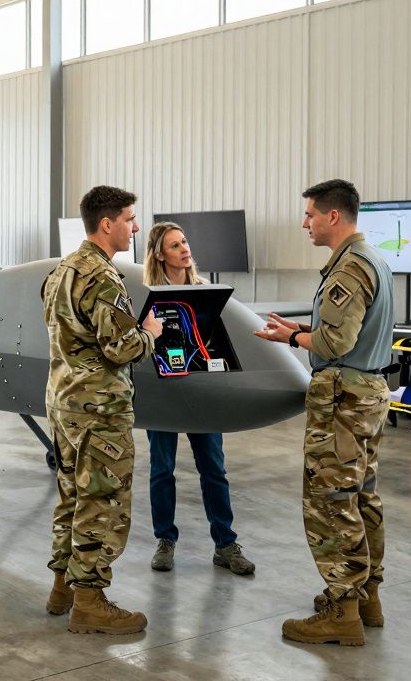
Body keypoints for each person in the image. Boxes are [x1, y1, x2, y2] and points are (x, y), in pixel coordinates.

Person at [254, 179, 394, 647]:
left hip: (343, 398)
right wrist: (302, 328)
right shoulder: (372, 259)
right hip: (368, 392)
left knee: (331, 501)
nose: (304, 223)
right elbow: (345, 329)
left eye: (310, 214)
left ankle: (343, 610)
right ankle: (366, 597)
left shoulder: (348, 268)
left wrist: (292, 340)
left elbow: (335, 344)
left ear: (333, 216)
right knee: (361, 495)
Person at [42, 185, 162, 635]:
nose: (135, 227)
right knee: (102, 503)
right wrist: (150, 331)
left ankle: (62, 587)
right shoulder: (103, 277)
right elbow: (120, 347)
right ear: (107, 223)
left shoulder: (62, 271)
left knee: (72, 497)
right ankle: (90, 601)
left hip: (64, 403)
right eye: (130, 219)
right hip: (99, 410)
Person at [141, 222, 255, 576]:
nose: (184, 249)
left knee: (214, 469)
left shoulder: (208, 293)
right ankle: (165, 541)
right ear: (161, 254)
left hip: (202, 393)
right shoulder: (146, 295)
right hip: (163, 394)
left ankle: (225, 543)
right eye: (175, 246)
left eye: (185, 242)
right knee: (162, 470)